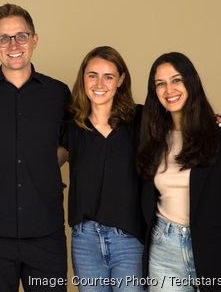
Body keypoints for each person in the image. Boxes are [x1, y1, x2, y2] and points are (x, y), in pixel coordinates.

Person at [0, 3, 72, 292]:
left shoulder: (58, 93)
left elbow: (69, 144)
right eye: (3, 38)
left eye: (21, 35)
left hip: (46, 232)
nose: (13, 45)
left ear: (34, 39)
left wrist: (41, 165)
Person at [137, 52, 221, 292]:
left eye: (176, 80)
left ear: (191, 82)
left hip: (217, 249)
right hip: (164, 249)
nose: (169, 89)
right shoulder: (150, 138)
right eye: (160, 84)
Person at [62, 46, 144, 292]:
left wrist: (219, 121)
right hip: (85, 240)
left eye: (108, 76)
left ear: (120, 80)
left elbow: (183, 123)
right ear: (83, 78)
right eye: (92, 75)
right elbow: (38, 157)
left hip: (128, 239)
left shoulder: (141, 120)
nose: (99, 83)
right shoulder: (71, 126)